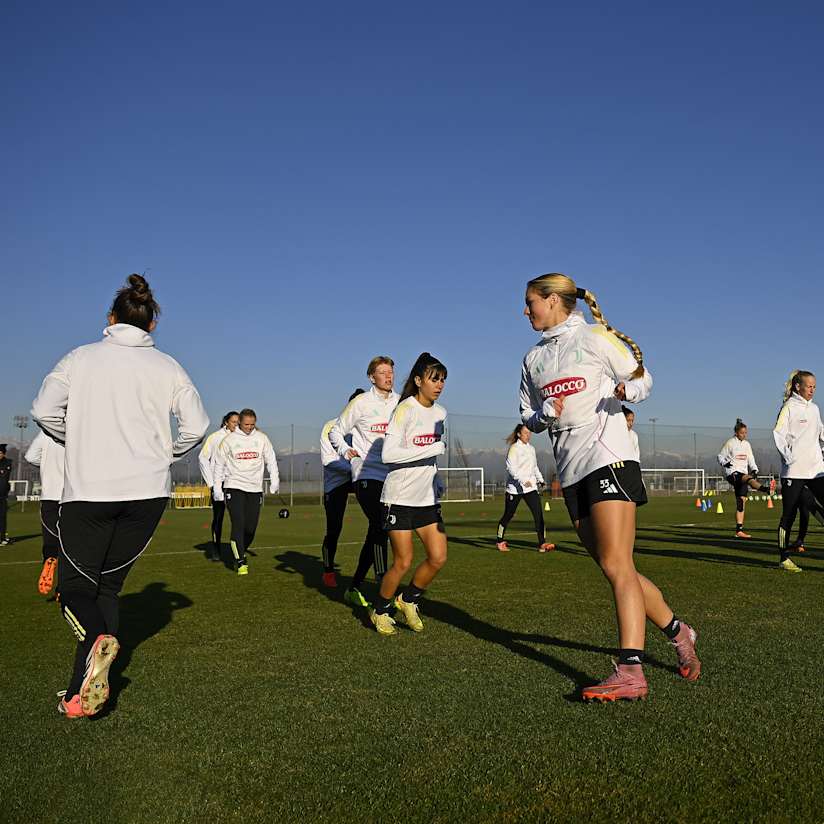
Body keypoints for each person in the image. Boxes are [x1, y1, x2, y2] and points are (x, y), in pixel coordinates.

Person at [31, 274, 209, 718]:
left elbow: (42, 410)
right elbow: (197, 426)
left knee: (74, 592)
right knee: (107, 587)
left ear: (110, 319)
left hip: (89, 492)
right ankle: (78, 695)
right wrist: (162, 454)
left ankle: (95, 642)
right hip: (146, 494)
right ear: (151, 326)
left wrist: (75, 440)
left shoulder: (80, 358)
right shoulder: (169, 366)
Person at [519, 272, 700, 702]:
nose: (525, 310)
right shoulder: (531, 360)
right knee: (617, 569)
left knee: (619, 564)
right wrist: (542, 414)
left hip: (610, 457)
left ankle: (631, 670)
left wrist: (628, 389)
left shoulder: (596, 339)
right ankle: (679, 631)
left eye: (531, 302)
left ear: (553, 300)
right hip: (571, 471)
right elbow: (526, 417)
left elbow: (644, 379)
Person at [370, 353, 448, 635]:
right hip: (398, 499)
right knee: (402, 561)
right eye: (433, 379)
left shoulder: (440, 413)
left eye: (442, 380)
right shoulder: (405, 409)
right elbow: (389, 455)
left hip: (426, 499)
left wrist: (436, 478)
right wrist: (431, 450)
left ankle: (408, 599)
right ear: (418, 381)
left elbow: (432, 456)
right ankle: (379, 610)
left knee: (438, 557)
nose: (439, 385)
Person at [329, 357, 399, 607]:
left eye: (391, 372)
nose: (388, 376)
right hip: (366, 475)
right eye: (383, 372)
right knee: (381, 524)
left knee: (379, 529)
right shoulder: (361, 403)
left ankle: (355, 585)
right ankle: (383, 583)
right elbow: (335, 431)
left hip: (393, 477)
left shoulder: (401, 403)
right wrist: (347, 451)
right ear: (372, 377)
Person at [212, 408, 279, 575]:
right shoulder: (229, 440)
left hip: (255, 489)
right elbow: (218, 465)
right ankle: (240, 561)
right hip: (234, 486)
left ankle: (239, 549)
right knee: (238, 522)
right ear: (239, 423)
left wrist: (275, 480)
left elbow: (271, 459)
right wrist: (217, 488)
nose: (249, 427)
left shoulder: (262, 439)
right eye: (246, 424)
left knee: (250, 529)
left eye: (252, 424)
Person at [773, 370, 824, 572]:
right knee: (789, 515)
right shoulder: (789, 408)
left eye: (814, 386)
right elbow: (778, 433)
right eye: (809, 386)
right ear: (797, 387)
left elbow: (821, 432)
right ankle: (784, 558)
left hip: (816, 471)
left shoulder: (814, 409)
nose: (812, 390)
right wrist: (789, 456)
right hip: (793, 472)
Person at [320, 389, 364, 588]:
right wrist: (354, 465)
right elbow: (328, 460)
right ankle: (329, 571)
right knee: (334, 528)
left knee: (380, 524)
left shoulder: (368, 427)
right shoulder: (331, 426)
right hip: (336, 482)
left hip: (362, 478)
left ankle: (380, 573)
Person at [495, 424, 555, 553]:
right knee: (508, 515)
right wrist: (523, 481)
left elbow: (534, 467)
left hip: (530, 489)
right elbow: (511, 468)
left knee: (538, 514)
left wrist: (541, 480)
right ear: (518, 434)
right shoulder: (514, 449)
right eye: (525, 433)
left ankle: (542, 543)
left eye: (529, 433)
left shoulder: (531, 449)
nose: (529, 435)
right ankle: (500, 541)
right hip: (514, 489)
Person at [717, 419, 773, 538]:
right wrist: (724, 463)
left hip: (742, 473)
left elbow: (751, 458)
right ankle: (766, 489)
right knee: (747, 478)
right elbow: (720, 456)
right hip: (732, 473)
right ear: (736, 432)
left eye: (746, 432)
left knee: (741, 502)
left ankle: (739, 530)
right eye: (742, 432)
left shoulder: (747, 444)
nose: (744, 435)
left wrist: (755, 469)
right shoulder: (730, 443)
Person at [25, 430, 65, 594]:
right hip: (72, 496)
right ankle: (64, 587)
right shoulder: (76, 430)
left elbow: (30, 456)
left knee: (50, 538)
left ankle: (50, 557)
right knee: (70, 542)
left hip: (49, 496)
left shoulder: (46, 433)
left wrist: (46, 464)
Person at [198, 411, 240, 561]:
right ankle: (216, 549)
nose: (237, 424)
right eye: (234, 421)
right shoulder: (215, 437)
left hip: (236, 483)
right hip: (219, 484)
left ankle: (239, 549)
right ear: (226, 422)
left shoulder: (241, 438)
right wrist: (211, 483)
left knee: (239, 518)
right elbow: (202, 458)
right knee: (219, 517)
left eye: (238, 421)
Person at [0, 444, 11, 546]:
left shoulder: (8, 463)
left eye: (1, 453)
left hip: (3, 496)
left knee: (3, 517)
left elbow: (5, 479)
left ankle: (2, 537)